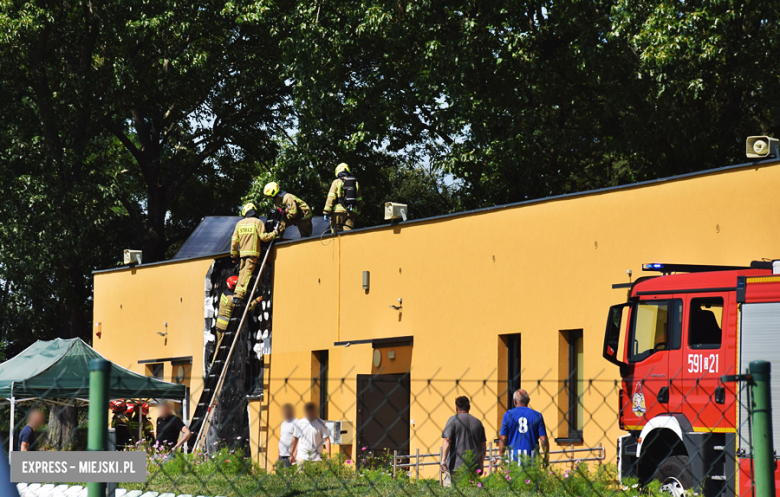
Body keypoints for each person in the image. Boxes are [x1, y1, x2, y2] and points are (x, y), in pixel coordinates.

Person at [231, 203, 278, 302]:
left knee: (242, 274)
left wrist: (234, 255)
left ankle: (236, 294)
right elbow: (264, 237)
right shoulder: (258, 222)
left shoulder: (239, 224)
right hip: (253, 254)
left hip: (242, 254)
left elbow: (234, 241)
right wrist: (274, 234)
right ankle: (240, 297)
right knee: (247, 275)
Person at [440, 396, 487, 487]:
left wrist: (443, 461)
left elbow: (447, 440)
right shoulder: (478, 422)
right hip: (473, 466)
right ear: (469, 407)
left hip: (456, 466)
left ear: (456, 407)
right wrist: (481, 464)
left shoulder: (453, 420)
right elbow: (483, 446)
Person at [498, 389, 549, 464]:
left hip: (513, 457)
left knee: (513, 475)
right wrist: (546, 457)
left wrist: (501, 457)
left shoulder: (508, 415)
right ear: (528, 400)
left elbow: (503, 439)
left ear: (515, 401)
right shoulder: (537, 415)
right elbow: (543, 439)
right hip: (532, 457)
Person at [323, 163, 362, 233]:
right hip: (351, 213)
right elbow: (359, 201)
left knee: (336, 235)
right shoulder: (355, 183)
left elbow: (331, 198)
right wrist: (358, 215)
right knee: (348, 236)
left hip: (337, 212)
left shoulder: (336, 182)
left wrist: (326, 212)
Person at [278, 404, 299, 468]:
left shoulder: (296, 422)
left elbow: (298, 439)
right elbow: (281, 439)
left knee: (288, 476)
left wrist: (293, 455)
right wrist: (277, 457)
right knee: (279, 476)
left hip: (289, 456)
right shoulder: (283, 423)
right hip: (281, 456)